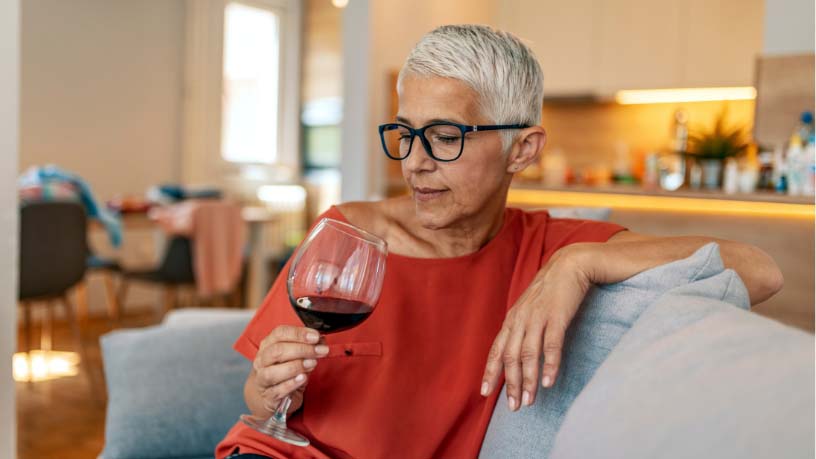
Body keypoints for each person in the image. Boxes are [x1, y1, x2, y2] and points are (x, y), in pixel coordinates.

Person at [216, 25, 783, 459]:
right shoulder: (347, 232)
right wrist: (269, 387)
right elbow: (259, 400)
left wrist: (579, 263)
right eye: (406, 133)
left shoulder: (552, 247)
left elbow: (757, 269)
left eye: (443, 137)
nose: (414, 163)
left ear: (523, 150)